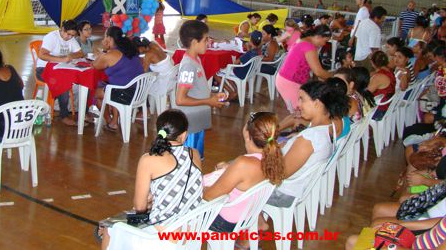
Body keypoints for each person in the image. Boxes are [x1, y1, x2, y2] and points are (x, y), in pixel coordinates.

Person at [96, 110, 203, 250]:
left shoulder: (148, 159)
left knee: (108, 229)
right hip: (192, 233)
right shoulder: (194, 153)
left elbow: (140, 207)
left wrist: (148, 201)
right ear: (183, 135)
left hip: (164, 238)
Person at [203, 112, 284, 247]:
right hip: (248, 213)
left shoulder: (243, 163)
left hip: (226, 221)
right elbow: (249, 177)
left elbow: (208, 196)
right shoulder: (272, 158)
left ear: (247, 134)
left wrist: (200, 188)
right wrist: (230, 169)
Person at [268, 80, 349, 207]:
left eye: (302, 99)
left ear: (316, 103)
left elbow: (280, 174)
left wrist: (268, 153)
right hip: (297, 187)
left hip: (282, 192)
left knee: (236, 176)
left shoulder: (309, 138)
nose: (298, 104)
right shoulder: (328, 127)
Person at [175, 20, 225, 159]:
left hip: (197, 120)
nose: (208, 42)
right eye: (205, 39)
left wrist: (213, 96)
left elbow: (198, 89)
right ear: (194, 42)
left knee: (197, 157)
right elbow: (180, 99)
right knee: (191, 159)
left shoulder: (196, 60)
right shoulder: (188, 65)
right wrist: (209, 101)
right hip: (190, 123)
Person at [92, 26, 143, 131]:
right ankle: (115, 120)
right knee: (110, 85)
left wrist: (104, 51)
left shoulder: (111, 54)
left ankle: (110, 121)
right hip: (139, 92)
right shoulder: (131, 50)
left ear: (110, 39)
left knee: (95, 93)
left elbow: (95, 65)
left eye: (105, 36)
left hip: (125, 94)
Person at [36, 20, 84, 126]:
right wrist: (60, 59)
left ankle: (82, 110)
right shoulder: (52, 37)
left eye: (72, 35)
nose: (69, 37)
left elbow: (80, 53)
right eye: (68, 34)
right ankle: (64, 115)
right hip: (43, 70)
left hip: (60, 69)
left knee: (80, 77)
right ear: (62, 29)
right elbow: (42, 55)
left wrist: (71, 56)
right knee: (63, 82)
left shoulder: (71, 38)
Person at [276, 25, 333, 112]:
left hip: (287, 80)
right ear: (318, 36)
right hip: (289, 82)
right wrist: (334, 75)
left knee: (298, 113)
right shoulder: (308, 46)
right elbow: (318, 72)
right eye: (325, 41)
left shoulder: (304, 41)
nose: (324, 44)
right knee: (301, 113)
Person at [214, 30, 262, 101]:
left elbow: (236, 62)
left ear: (250, 40)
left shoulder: (248, 54)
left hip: (241, 73)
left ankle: (231, 91)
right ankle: (235, 90)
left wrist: (229, 65)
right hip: (248, 73)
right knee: (227, 71)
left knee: (216, 73)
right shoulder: (257, 52)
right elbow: (249, 54)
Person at [353, 6, 387, 72]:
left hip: (358, 56)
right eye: (383, 18)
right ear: (376, 17)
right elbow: (374, 48)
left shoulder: (363, 22)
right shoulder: (375, 28)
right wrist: (376, 63)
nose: (383, 21)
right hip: (368, 59)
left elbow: (356, 39)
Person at [368, 50, 396, 120]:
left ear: (373, 63)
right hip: (388, 106)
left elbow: (366, 93)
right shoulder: (389, 71)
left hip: (380, 109)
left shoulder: (378, 77)